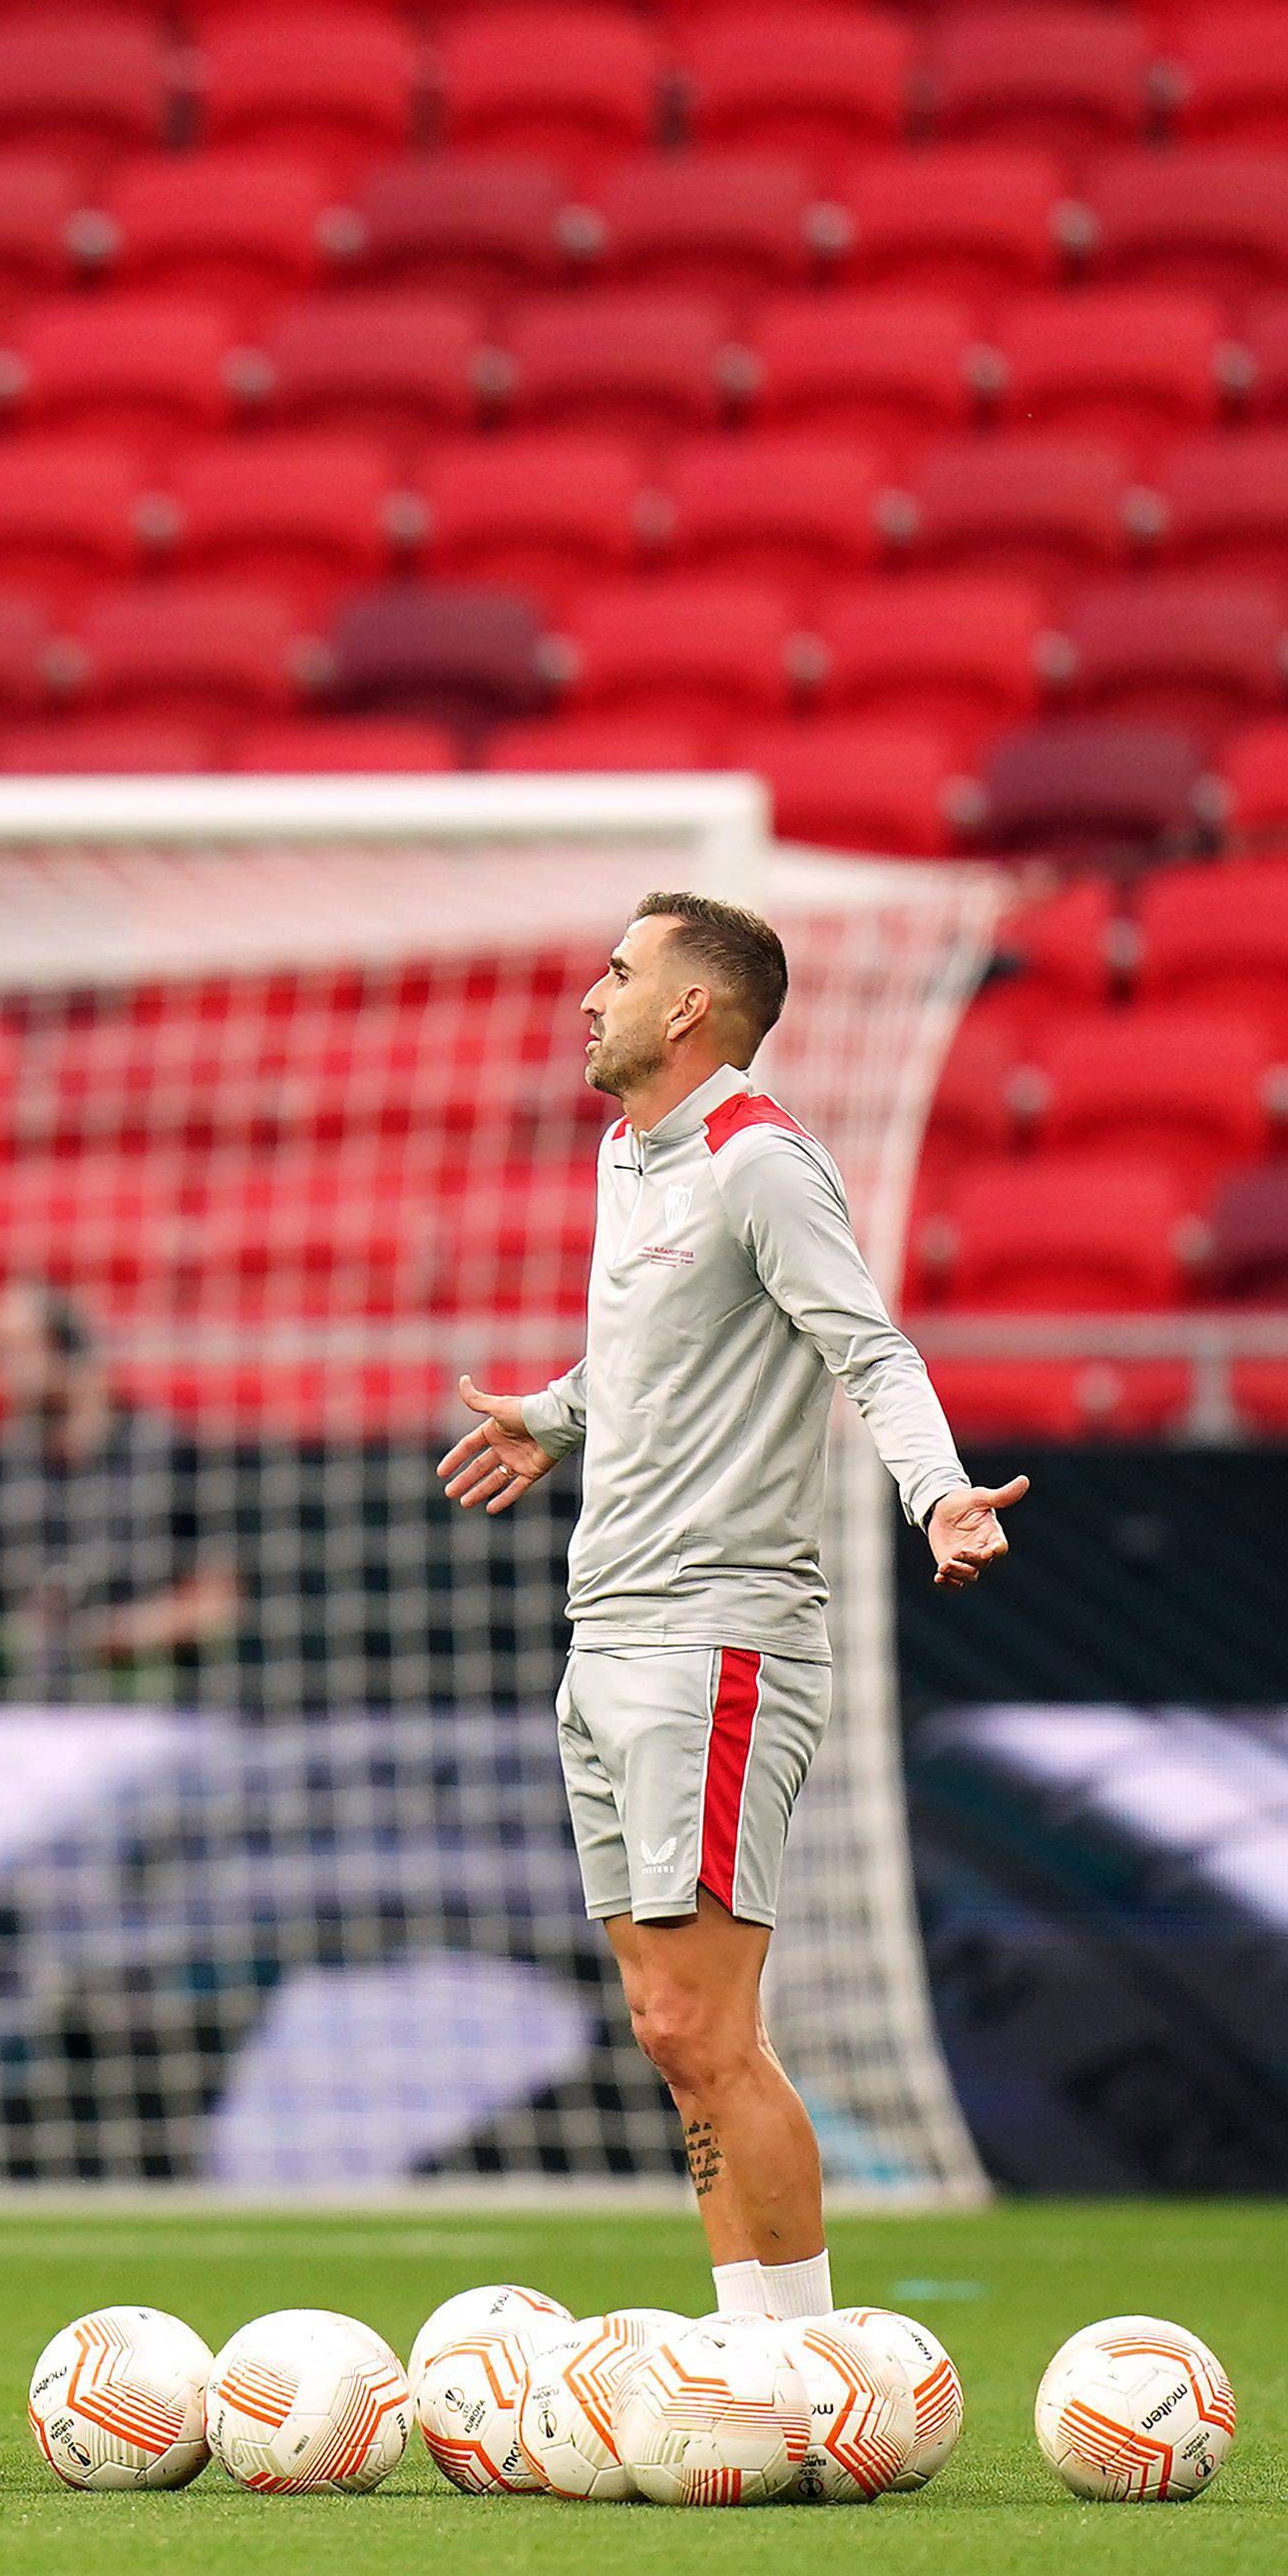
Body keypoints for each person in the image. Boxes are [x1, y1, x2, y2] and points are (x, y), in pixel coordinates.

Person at [440, 892, 1030, 2324]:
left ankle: (810, 2357)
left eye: (620, 971)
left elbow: (869, 1349)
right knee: (669, 2031)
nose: (592, 995)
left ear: (689, 1009)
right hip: (611, 1631)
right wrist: (558, 1418)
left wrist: (937, 1496)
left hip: (719, 1635)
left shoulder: (761, 1162)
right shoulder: (628, 1159)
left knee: (707, 2024)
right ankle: (752, 2343)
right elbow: (654, 1361)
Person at [0, 1282, 244, 1698]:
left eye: (18, 1349)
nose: (5, 1369)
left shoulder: (166, 1455)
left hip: (154, 1701)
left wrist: (123, 1633)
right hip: (26, 1711)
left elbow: (219, 1599)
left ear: (70, 1349)